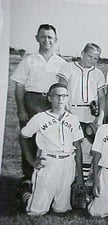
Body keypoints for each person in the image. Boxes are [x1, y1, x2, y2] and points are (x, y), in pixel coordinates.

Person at [11, 24, 66, 186]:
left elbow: (64, 87)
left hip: (52, 102)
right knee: (29, 139)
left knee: (50, 141)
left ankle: (46, 179)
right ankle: (28, 178)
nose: (46, 40)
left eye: (50, 37)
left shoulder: (61, 63)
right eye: (43, 36)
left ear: (55, 40)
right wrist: (21, 109)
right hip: (32, 101)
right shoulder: (29, 60)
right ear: (37, 38)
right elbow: (19, 86)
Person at [20, 83, 84, 215]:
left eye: (64, 96)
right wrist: (31, 160)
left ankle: (50, 199)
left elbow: (77, 147)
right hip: (48, 162)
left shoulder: (73, 119)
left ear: (67, 98)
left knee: (61, 209)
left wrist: (80, 177)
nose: (61, 99)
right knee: (37, 211)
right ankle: (26, 193)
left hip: (68, 162)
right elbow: (23, 136)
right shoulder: (40, 118)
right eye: (57, 96)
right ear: (49, 98)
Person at [58, 43, 106, 187]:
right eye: (90, 56)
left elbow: (102, 97)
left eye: (96, 58)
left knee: (86, 149)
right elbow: (62, 88)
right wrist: (66, 112)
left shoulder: (97, 73)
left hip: (90, 112)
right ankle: (66, 182)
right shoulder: (69, 67)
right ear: (82, 53)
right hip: (71, 111)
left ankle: (81, 185)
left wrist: (100, 118)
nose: (92, 60)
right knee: (69, 148)